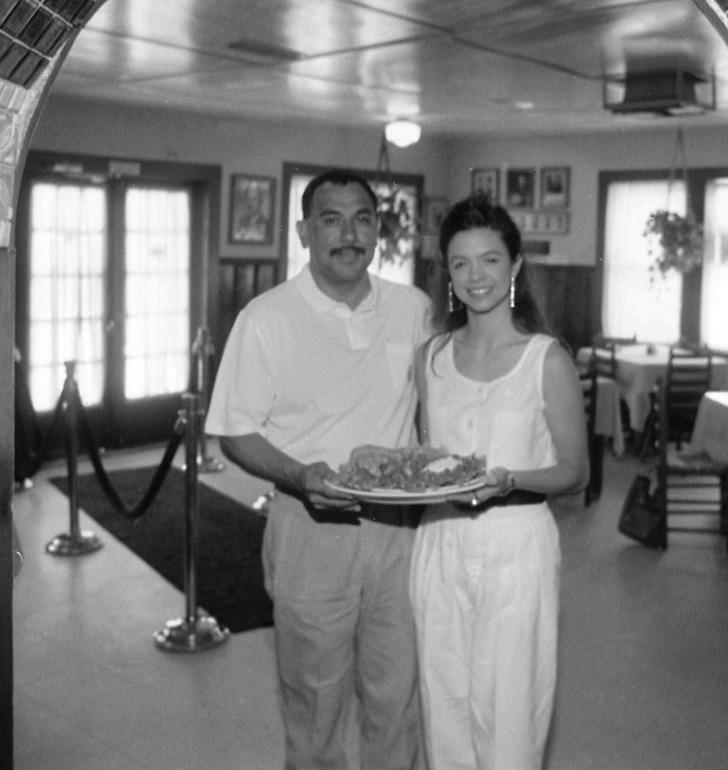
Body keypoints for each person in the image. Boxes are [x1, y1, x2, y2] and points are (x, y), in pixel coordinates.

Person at [205, 169, 430, 769]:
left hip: (400, 534)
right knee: (315, 707)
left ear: (377, 231)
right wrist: (300, 476)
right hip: (309, 530)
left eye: (362, 219)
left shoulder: (413, 309)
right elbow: (235, 431)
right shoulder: (267, 317)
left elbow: (440, 407)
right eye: (332, 220)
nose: (348, 235)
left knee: (398, 700)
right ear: (305, 232)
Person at [409, 193, 589, 769]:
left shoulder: (546, 359)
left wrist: (510, 481)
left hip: (517, 546)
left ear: (515, 265)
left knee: (510, 715)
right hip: (440, 542)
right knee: (444, 710)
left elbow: (575, 472)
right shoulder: (431, 357)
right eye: (460, 263)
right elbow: (430, 455)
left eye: (489, 259)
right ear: (447, 274)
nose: (475, 276)